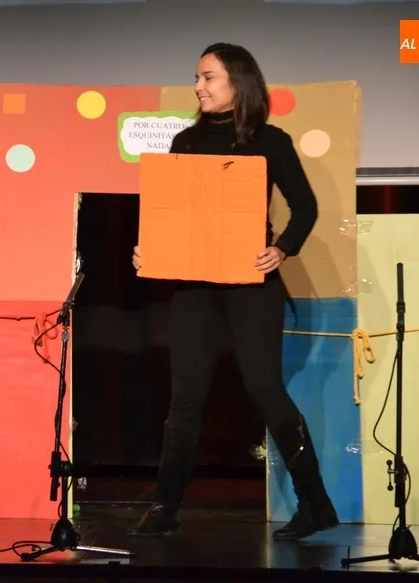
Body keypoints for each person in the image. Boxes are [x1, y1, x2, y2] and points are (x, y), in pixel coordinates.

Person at [128, 43, 338, 542]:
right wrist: (151, 250)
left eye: (208, 77)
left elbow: (305, 207)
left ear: (238, 82)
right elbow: (174, 214)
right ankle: (166, 508)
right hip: (195, 284)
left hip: (251, 281)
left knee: (265, 389)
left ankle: (316, 505)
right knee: (185, 397)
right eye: (197, 78)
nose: (198, 87)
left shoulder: (270, 140)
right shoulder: (184, 141)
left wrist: (281, 249)